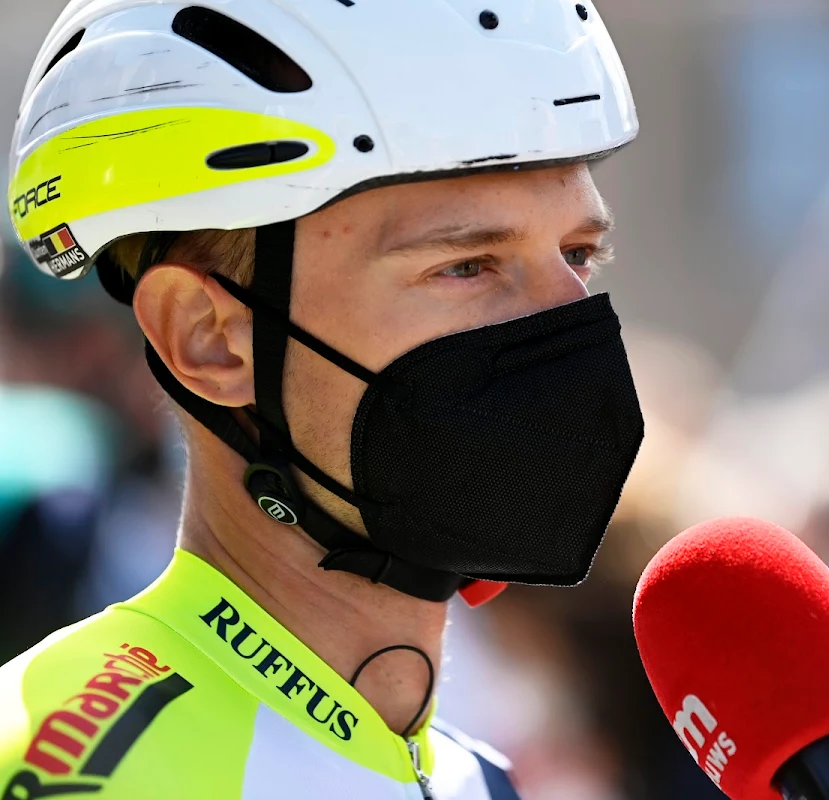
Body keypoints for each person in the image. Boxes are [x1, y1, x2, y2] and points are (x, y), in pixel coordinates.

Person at [1, 1, 644, 797]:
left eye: (579, 253)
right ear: (209, 337)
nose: (569, 324)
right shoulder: (58, 769)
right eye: (467, 265)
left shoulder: (479, 777)